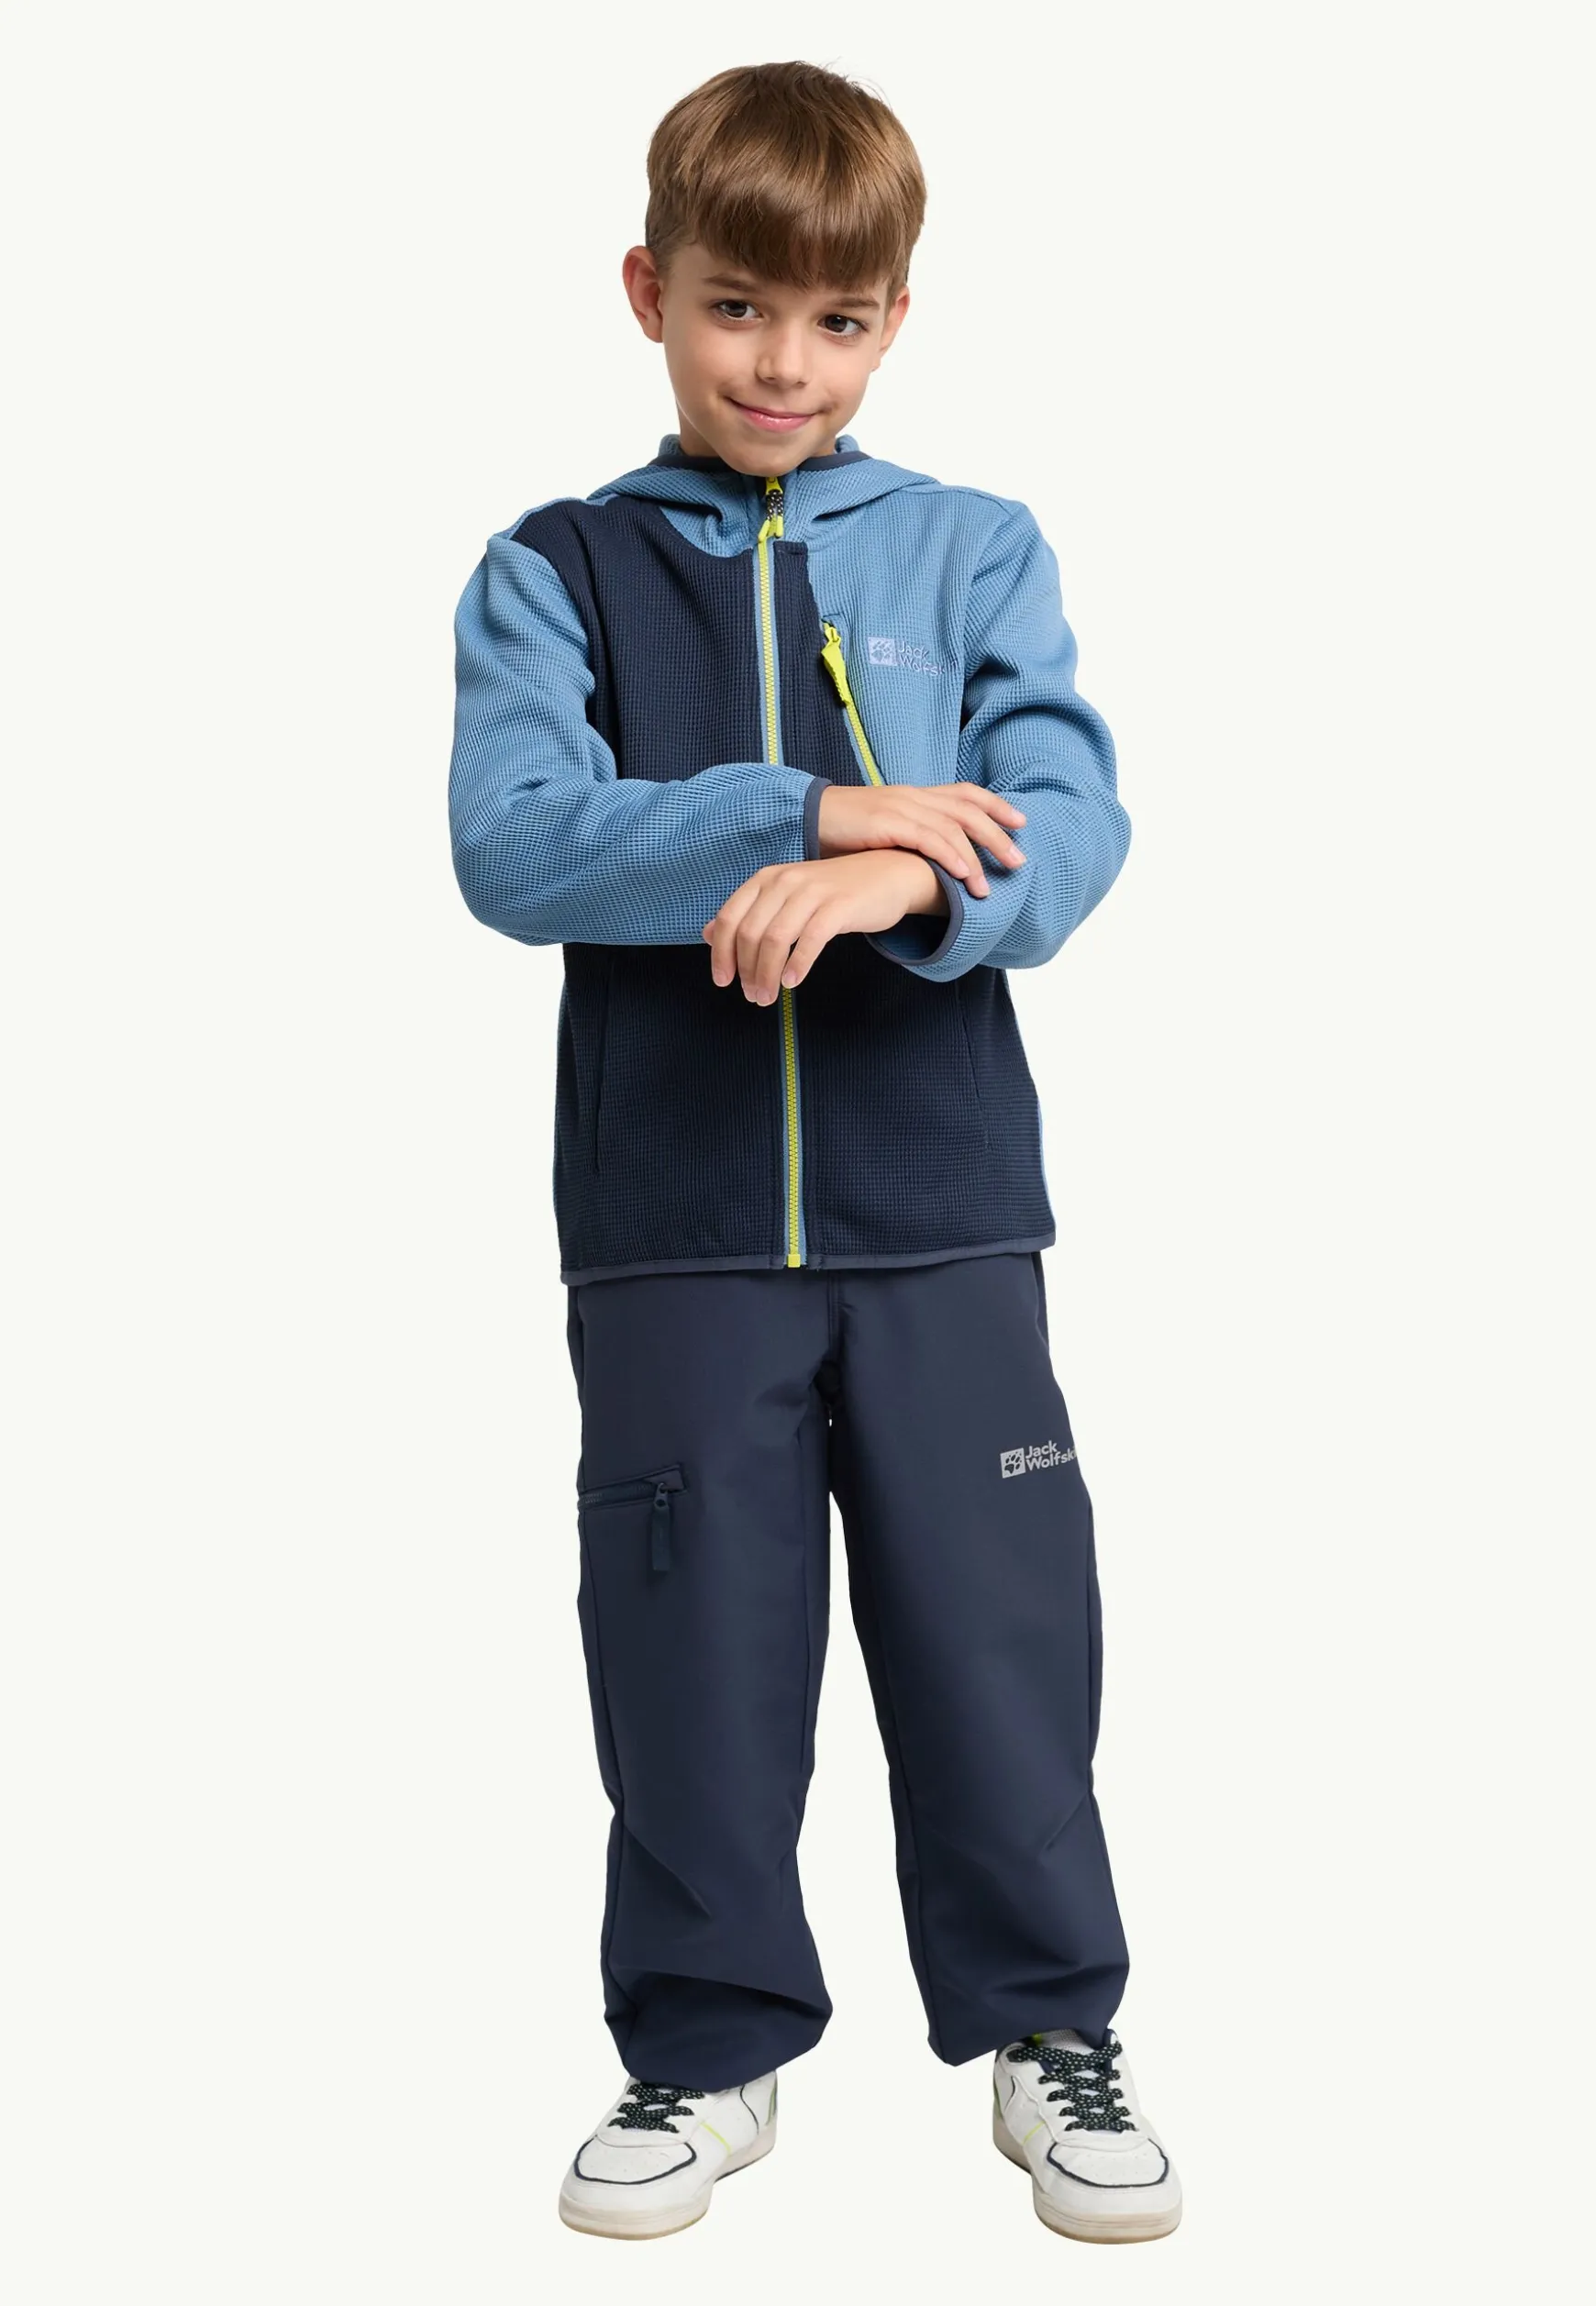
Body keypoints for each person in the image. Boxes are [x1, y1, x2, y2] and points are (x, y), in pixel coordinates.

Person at [448, 58, 1180, 2246]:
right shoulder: (557, 570)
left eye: (838, 321)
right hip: (670, 1224)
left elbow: (1071, 828)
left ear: (894, 321)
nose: (786, 364)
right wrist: (813, 808)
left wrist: (902, 881)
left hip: (942, 1209)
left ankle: (1051, 2029)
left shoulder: (973, 549)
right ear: (650, 293)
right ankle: (703, 2048)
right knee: (690, 1646)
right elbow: (515, 845)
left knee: (998, 1636)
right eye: (740, 309)